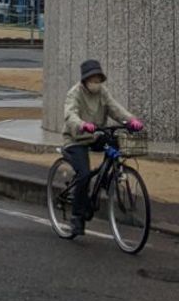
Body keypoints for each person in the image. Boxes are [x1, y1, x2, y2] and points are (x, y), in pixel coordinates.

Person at [61, 57, 143, 237]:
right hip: (76, 138)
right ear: (85, 80)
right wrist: (82, 124)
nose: (96, 82)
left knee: (114, 143)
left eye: (98, 79)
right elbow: (70, 115)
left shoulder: (102, 93)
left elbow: (115, 108)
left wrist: (131, 120)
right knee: (83, 174)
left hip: (96, 135)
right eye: (93, 79)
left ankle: (106, 179)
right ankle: (77, 217)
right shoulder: (74, 93)